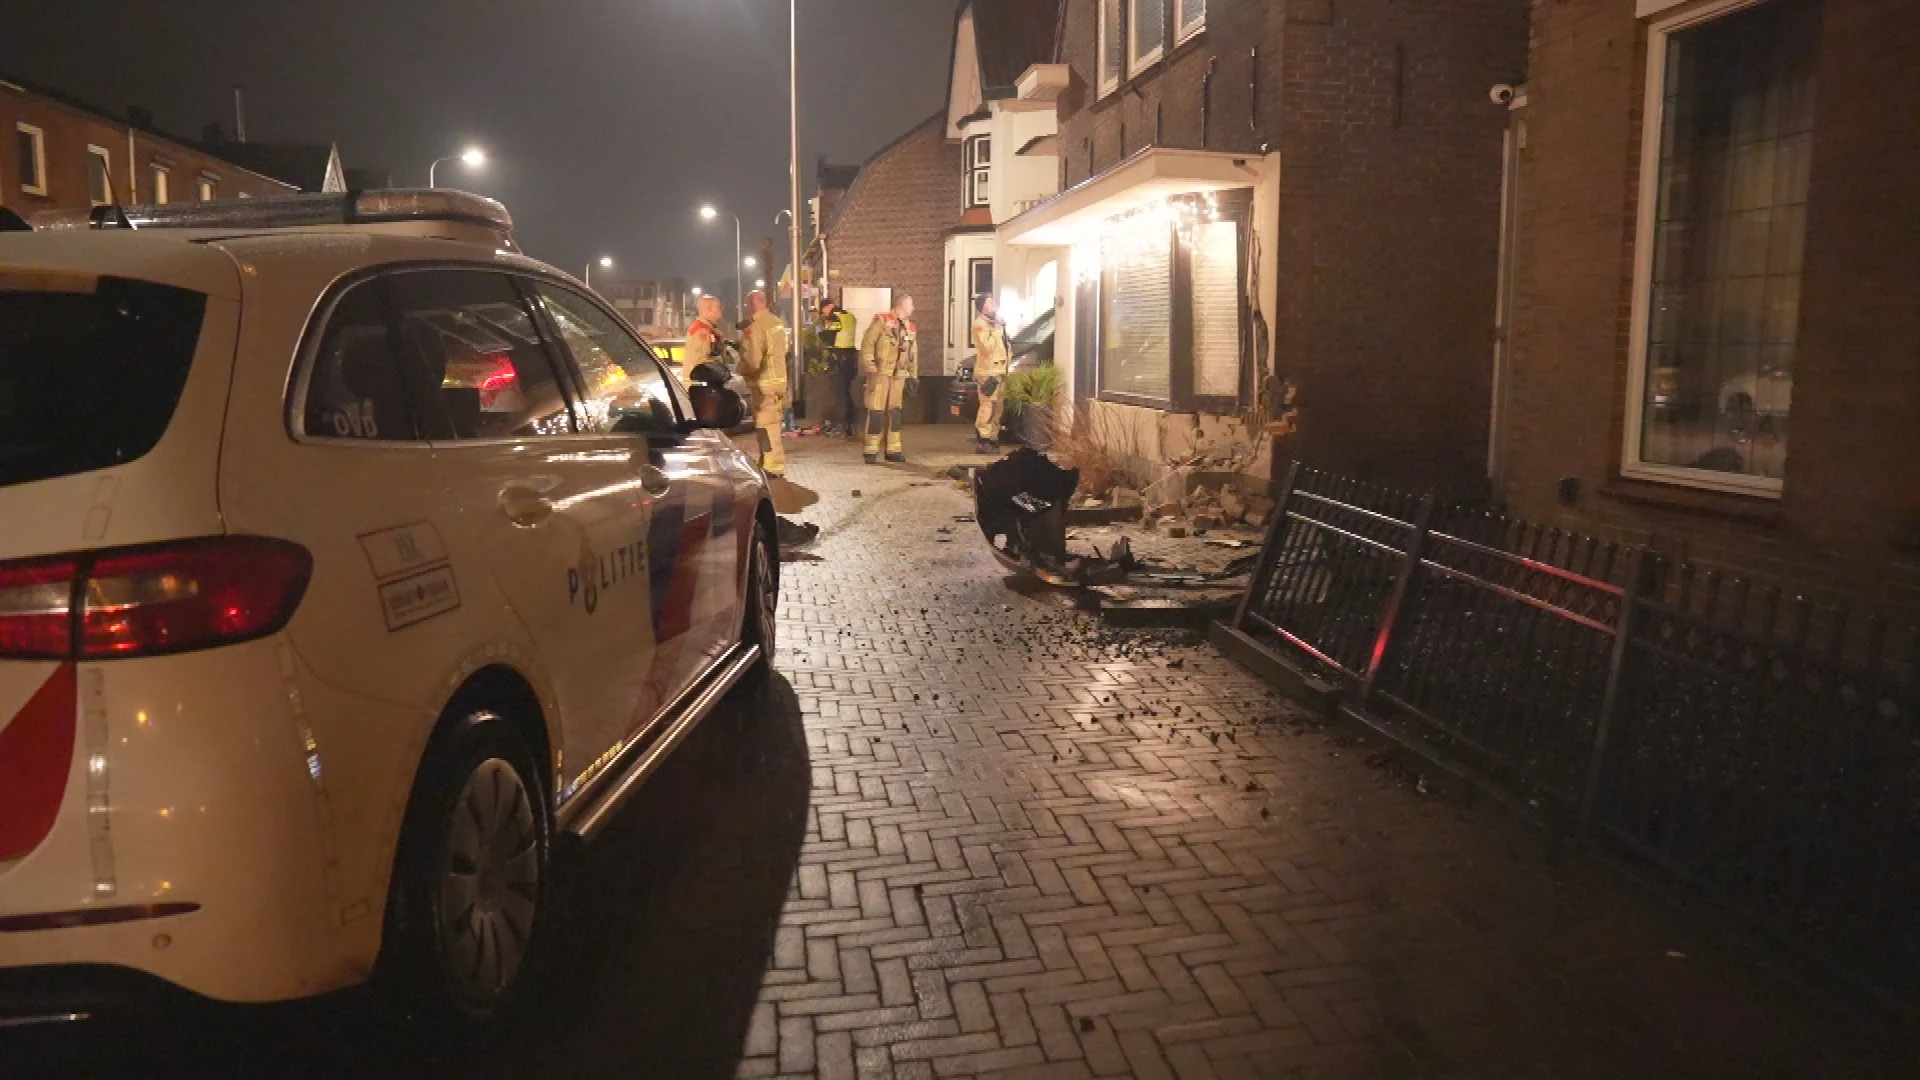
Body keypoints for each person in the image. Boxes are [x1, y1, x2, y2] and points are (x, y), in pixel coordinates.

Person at [859, 293, 918, 464]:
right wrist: (869, 363)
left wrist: (913, 375)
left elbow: (913, 353)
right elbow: (868, 342)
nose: (913, 308)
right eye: (911, 304)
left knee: (895, 412)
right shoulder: (881, 320)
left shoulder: (910, 327)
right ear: (901, 305)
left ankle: (893, 449)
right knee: (876, 411)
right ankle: (871, 449)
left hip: (899, 375)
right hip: (881, 373)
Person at [739, 290, 791, 478]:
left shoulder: (756, 326)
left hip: (764, 384)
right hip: (778, 382)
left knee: (766, 426)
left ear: (752, 304)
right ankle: (767, 462)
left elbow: (754, 360)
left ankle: (773, 466)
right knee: (771, 423)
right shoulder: (777, 323)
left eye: (748, 303)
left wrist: (741, 369)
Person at [970, 295, 1010, 455]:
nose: (993, 303)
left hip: (1000, 371)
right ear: (982, 307)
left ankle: (993, 437)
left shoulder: (995, 323)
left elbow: (1005, 347)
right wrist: (997, 329)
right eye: (989, 301)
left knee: (998, 407)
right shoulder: (980, 324)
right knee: (988, 406)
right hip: (987, 372)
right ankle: (983, 439)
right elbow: (986, 348)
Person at [819, 299, 859, 436]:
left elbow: (827, 337)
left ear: (828, 307)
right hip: (850, 358)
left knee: (839, 393)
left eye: (823, 311)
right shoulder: (850, 316)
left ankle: (839, 426)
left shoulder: (834, 317)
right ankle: (851, 424)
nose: (824, 314)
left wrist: (820, 332)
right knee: (847, 392)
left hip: (838, 358)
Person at [681, 295, 730, 383]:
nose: (721, 312)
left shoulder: (708, 329)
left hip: (706, 385)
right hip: (703, 386)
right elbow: (701, 363)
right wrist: (721, 371)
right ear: (709, 309)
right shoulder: (701, 331)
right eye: (718, 308)